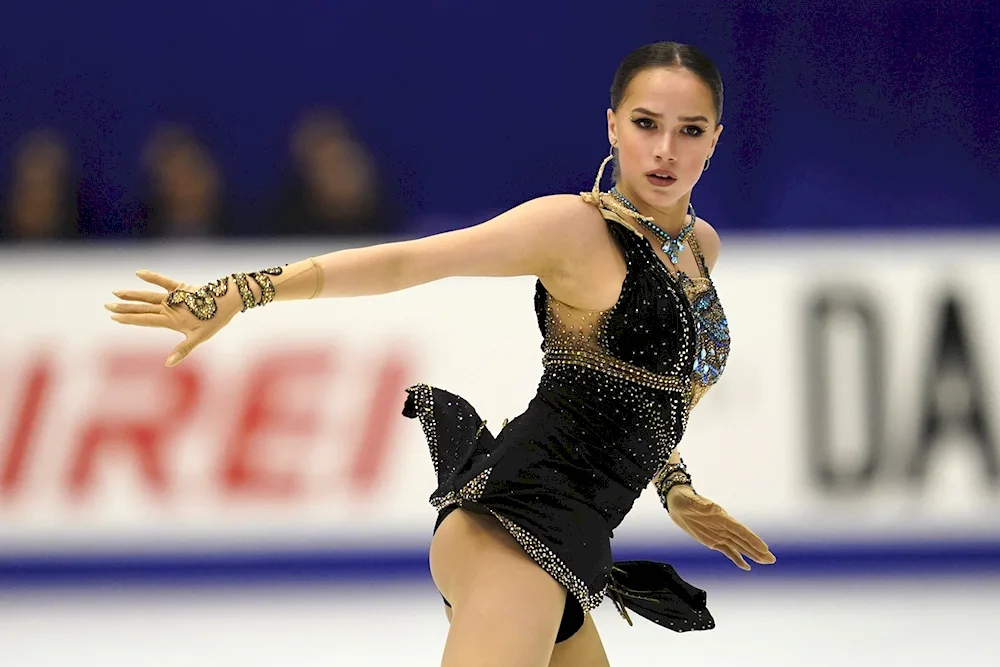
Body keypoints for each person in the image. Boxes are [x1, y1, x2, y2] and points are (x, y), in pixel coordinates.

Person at [106, 41, 776, 667]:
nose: (664, 148)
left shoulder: (700, 250)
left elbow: (644, 396)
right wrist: (247, 289)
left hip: (569, 546)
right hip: (512, 532)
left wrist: (675, 488)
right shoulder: (572, 228)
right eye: (645, 122)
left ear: (715, 140)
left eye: (689, 129)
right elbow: (409, 262)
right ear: (611, 125)